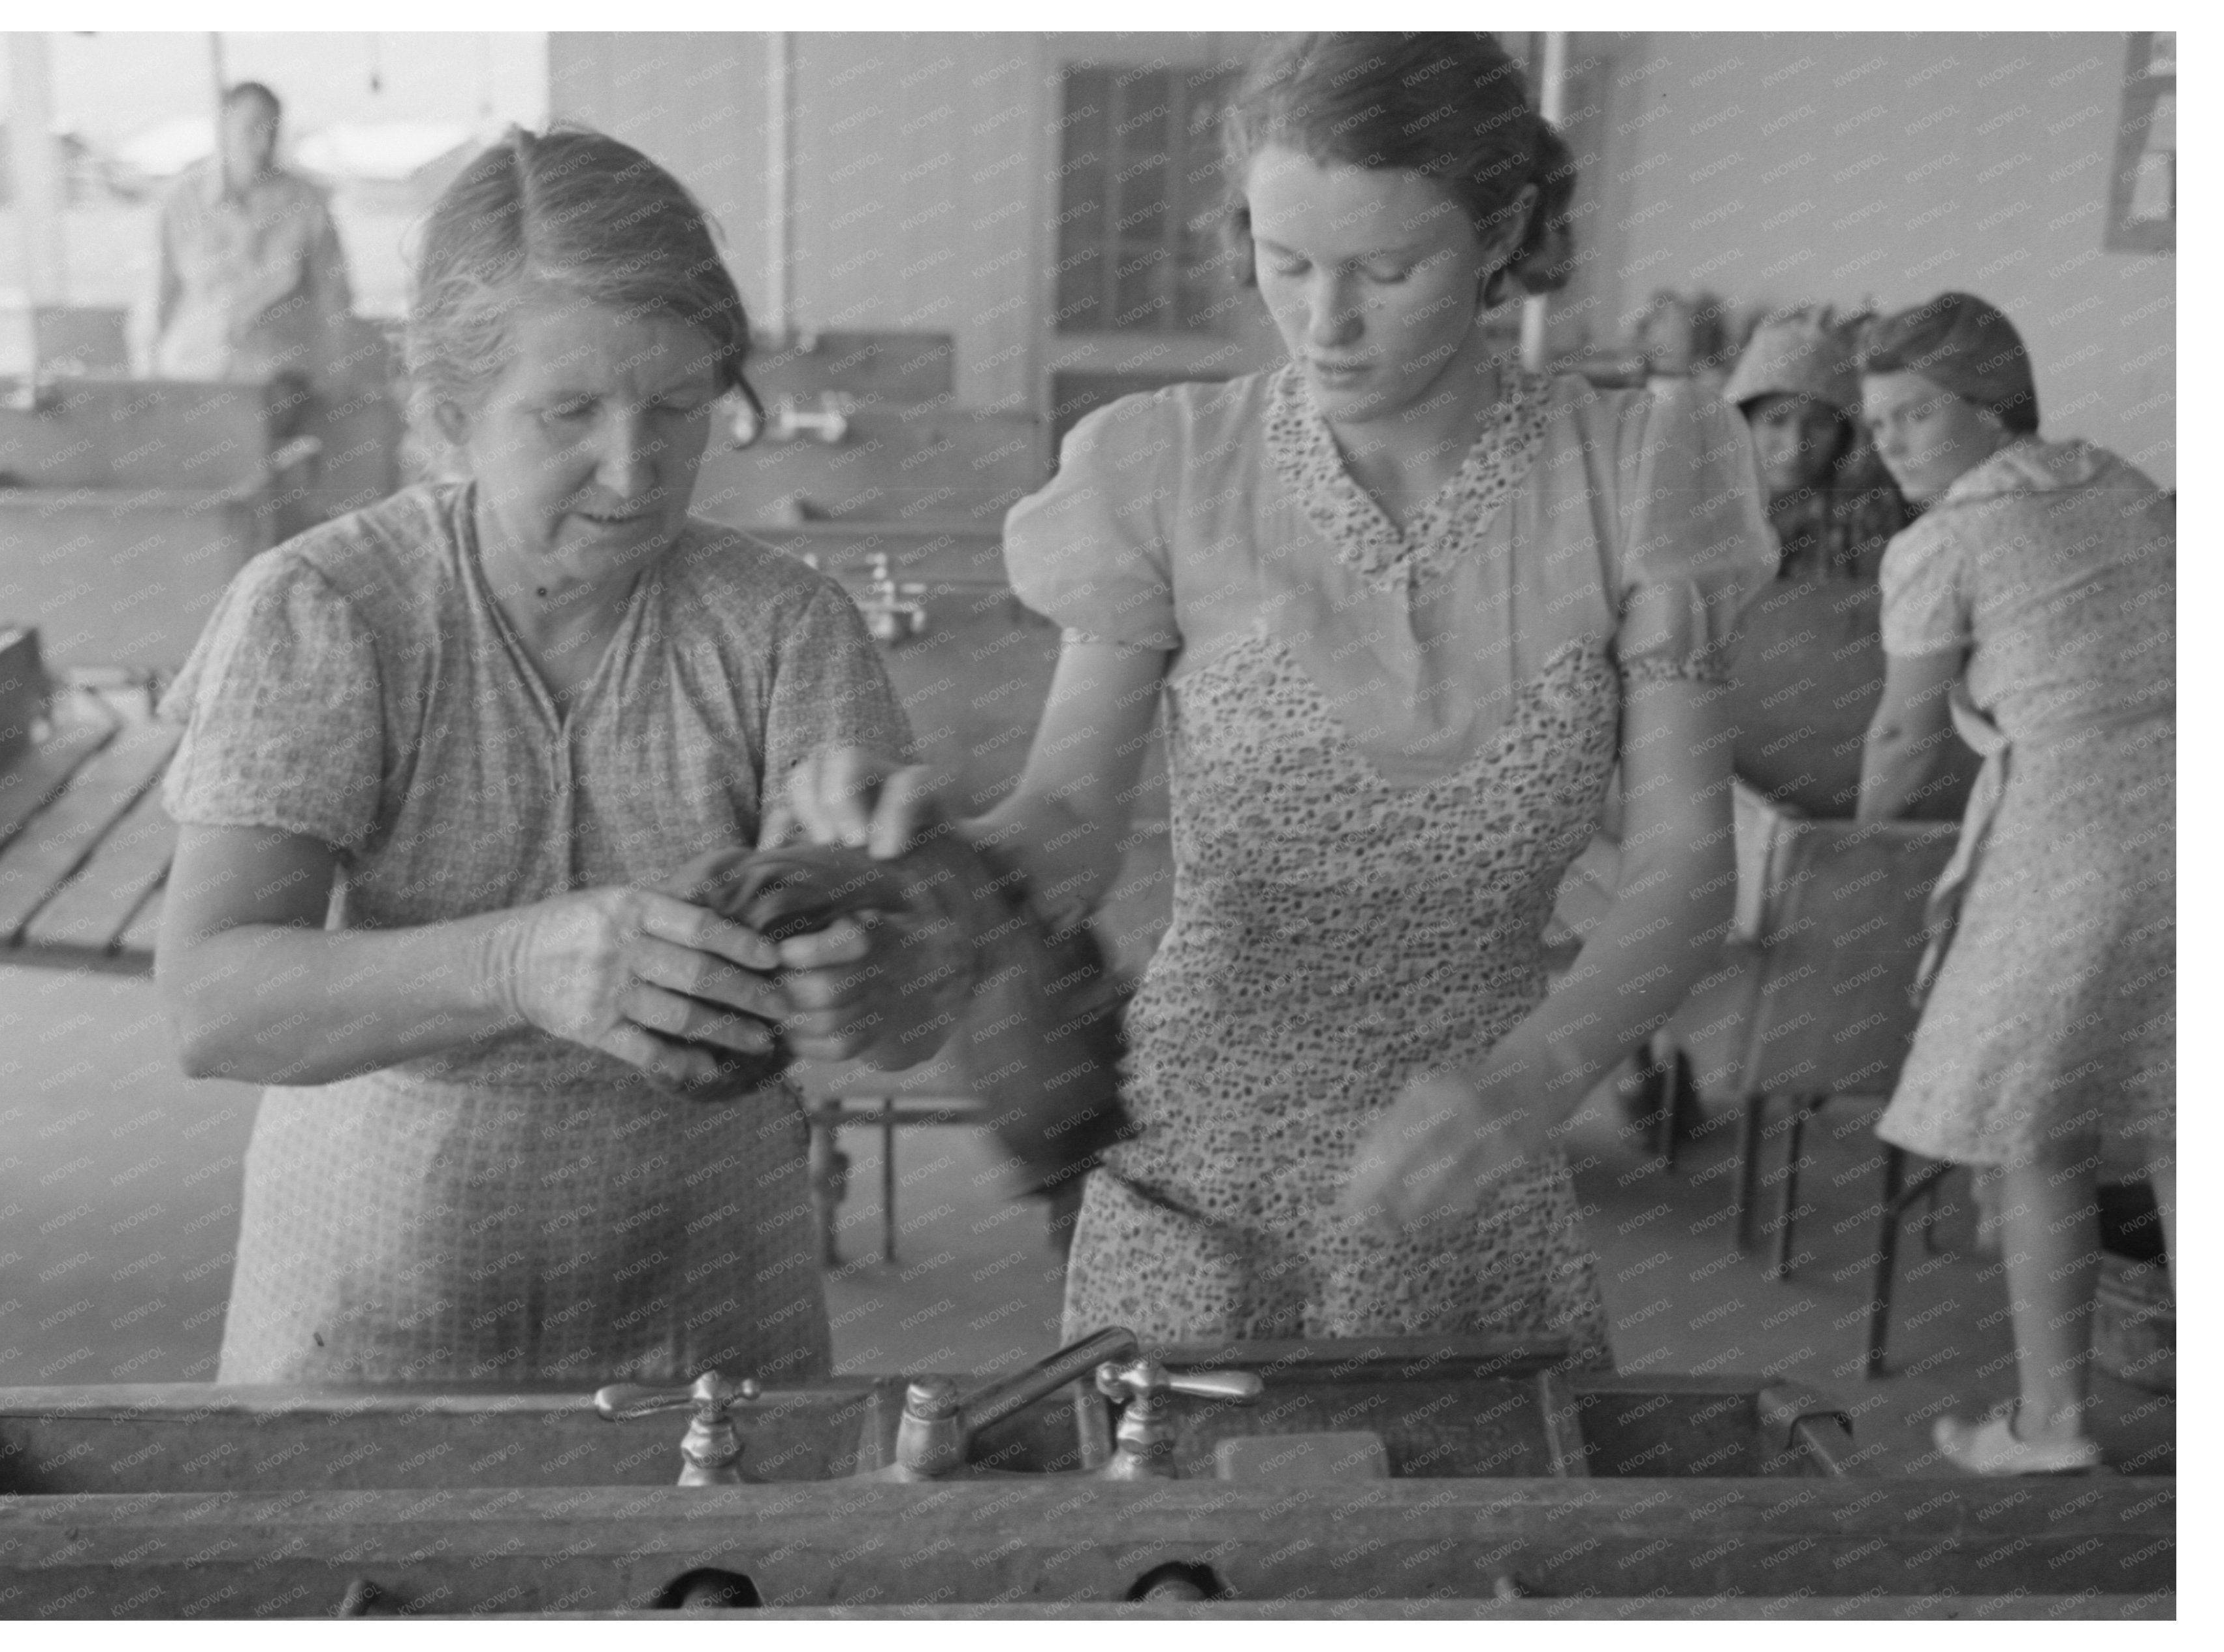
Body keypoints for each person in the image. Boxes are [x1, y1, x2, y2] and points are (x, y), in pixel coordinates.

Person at [790, 33, 1778, 1360]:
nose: (1327, 322)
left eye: (1386, 269)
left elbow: (1684, 871)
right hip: (1194, 1152)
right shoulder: (1166, 465)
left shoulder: (1637, 473)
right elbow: (1073, 815)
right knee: (1189, 1551)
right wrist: (938, 857)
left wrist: (1533, 1081)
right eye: (1286, 260)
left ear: (1505, 234)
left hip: (1472, 1158)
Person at [154, 126, 934, 1387]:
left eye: (678, 406)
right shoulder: (330, 611)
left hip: (706, 1314)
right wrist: (516, 961)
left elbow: (899, 1021)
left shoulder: (781, 623)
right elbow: (213, 1003)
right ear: (446, 413)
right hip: (369, 1305)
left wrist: (882, 967)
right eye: (568, 411)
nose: (634, 469)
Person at [1856, 292, 2175, 1474]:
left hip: (2077, 838)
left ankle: (2052, 1426)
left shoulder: (1940, 545)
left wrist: (1857, 843)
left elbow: (1899, 738)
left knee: (2037, 1129)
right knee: (2185, 1128)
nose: (1886, 441)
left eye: (1912, 414)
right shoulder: (2122, 482)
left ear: (1991, 410)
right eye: (1875, 421)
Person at [150, 82, 356, 393]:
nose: (262, 145)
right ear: (224, 128)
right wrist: (147, 380)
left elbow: (336, 298)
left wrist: (335, 381)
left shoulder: (307, 204)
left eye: (271, 132)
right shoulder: (182, 201)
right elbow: (158, 294)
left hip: (279, 387)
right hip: (192, 376)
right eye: (251, 130)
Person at [1725, 308, 1907, 581]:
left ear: (1846, 435)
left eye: (1820, 425)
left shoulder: (1865, 510)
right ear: (1741, 424)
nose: (1795, 446)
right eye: (1776, 421)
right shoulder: (1706, 508)